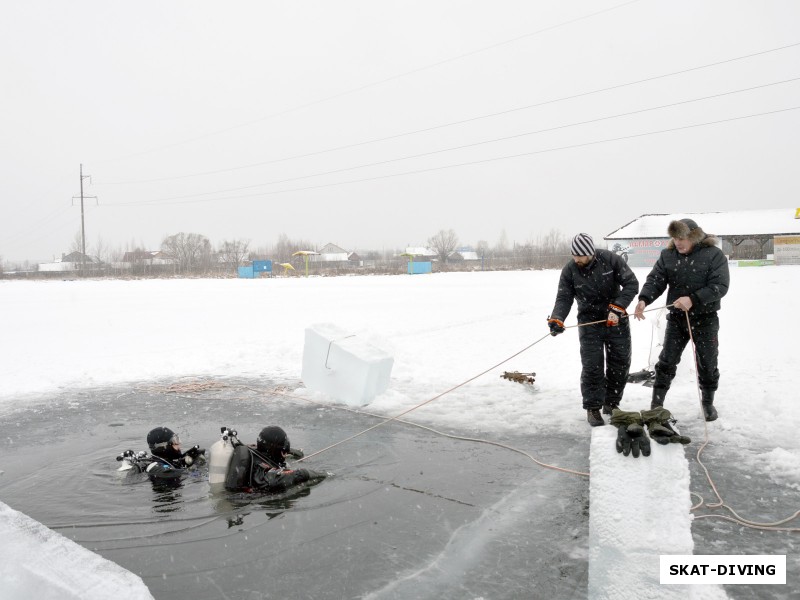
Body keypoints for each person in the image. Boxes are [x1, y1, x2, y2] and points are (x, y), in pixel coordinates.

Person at [633, 218, 729, 421]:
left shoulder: (714, 255)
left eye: (682, 238)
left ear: (694, 236)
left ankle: (707, 403)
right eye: (675, 238)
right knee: (666, 361)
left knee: (708, 363)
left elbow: (720, 286)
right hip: (677, 320)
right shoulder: (668, 256)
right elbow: (656, 280)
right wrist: (644, 299)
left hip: (705, 320)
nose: (678, 242)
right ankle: (656, 403)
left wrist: (693, 299)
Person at [548, 233, 639, 427]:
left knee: (620, 362)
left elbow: (632, 284)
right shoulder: (570, 270)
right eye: (574, 255)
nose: (576, 259)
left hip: (616, 320)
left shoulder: (610, 260)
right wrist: (557, 318)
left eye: (580, 256)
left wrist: (618, 307)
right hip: (589, 323)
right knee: (592, 366)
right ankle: (593, 408)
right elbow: (564, 298)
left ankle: (612, 403)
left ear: (590, 253)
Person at [224, 425, 326, 493]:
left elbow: (279, 449)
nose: (285, 455)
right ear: (279, 452)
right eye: (284, 452)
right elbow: (273, 481)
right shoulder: (263, 469)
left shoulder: (255, 451)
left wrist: (296, 452)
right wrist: (315, 474)